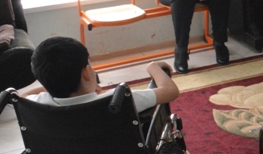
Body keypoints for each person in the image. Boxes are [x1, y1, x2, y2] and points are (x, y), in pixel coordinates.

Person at [25, 36, 179, 115]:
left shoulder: (37, 104)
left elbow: (22, 96)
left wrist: (52, 84)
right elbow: (170, 91)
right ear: (86, 73)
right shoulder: (117, 99)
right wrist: (153, 67)